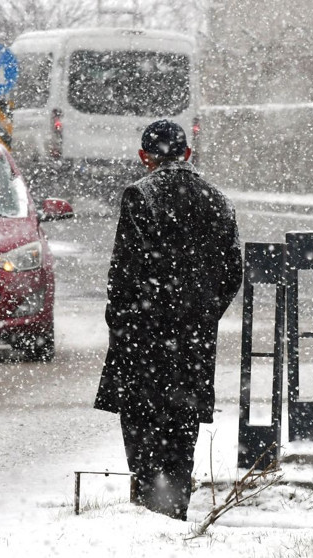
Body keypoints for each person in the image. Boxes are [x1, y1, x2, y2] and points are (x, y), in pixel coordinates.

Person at [94, 119, 243, 520]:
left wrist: (125, 323)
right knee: (181, 430)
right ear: (187, 154)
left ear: (145, 157)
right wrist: (201, 316)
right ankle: (174, 511)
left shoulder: (141, 196)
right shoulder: (218, 200)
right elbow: (232, 274)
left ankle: (147, 512)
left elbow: (123, 273)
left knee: (143, 430)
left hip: (142, 338)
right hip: (193, 342)